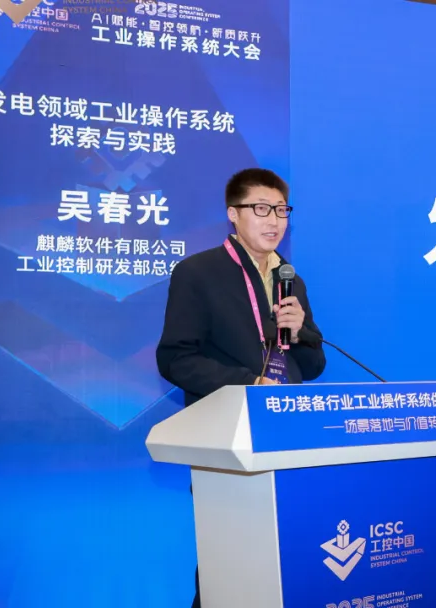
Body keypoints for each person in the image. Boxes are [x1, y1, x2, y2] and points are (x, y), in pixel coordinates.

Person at [155, 167, 326, 607]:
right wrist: (249, 384)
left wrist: (300, 331)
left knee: (287, 562)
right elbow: (175, 358)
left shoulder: (290, 279)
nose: (274, 221)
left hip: (288, 436)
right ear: (233, 213)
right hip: (228, 438)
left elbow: (314, 365)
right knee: (228, 564)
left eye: (282, 210)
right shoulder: (198, 273)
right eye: (261, 209)